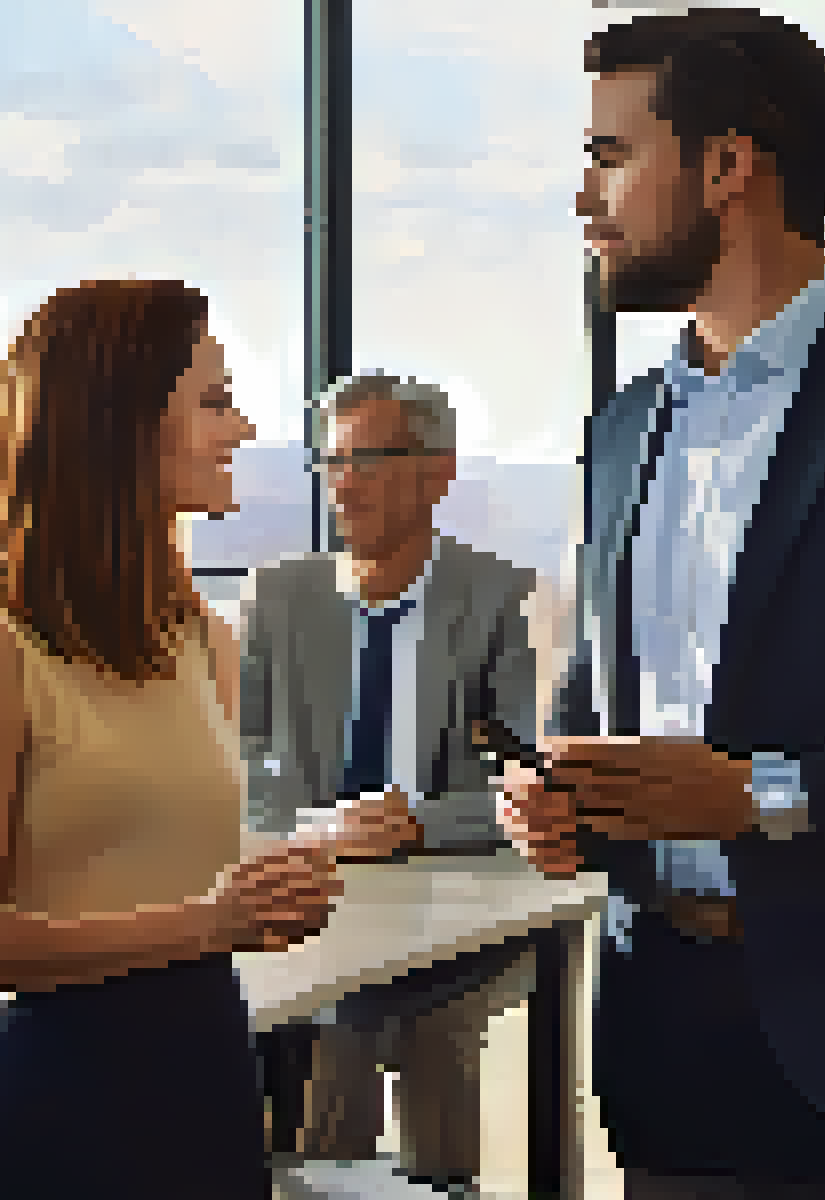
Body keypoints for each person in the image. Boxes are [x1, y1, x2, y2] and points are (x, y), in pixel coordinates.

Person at [502, 10, 825, 1197]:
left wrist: (765, 796)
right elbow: (599, 693)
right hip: (665, 1045)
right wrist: (565, 799)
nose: (588, 200)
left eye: (611, 156)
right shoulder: (620, 429)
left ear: (730, 166)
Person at [0, 278, 401, 1197]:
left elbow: (161, 849)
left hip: (209, 1081)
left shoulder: (200, 634)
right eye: (213, 402)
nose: (242, 429)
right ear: (119, 424)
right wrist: (213, 922)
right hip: (68, 1109)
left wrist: (291, 867)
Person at [241, 372, 536, 1192]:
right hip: (317, 887)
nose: (346, 480)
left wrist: (417, 823)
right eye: (333, 461)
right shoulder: (280, 597)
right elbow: (238, 756)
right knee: (339, 1013)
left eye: (371, 457)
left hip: (454, 904)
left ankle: (439, 1184)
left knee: (419, 1019)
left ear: (438, 470)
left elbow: (527, 782)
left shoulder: (496, 598)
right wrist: (311, 826)